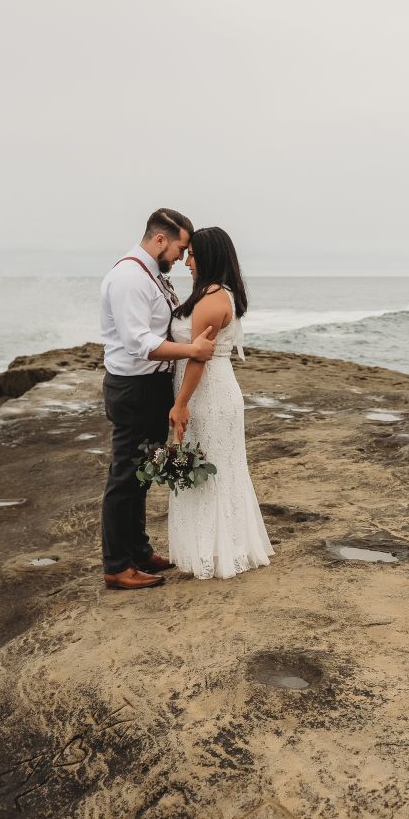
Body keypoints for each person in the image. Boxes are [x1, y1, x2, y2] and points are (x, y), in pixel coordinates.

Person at [100, 208, 216, 591]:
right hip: (133, 389)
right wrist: (193, 351)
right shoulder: (130, 277)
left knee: (142, 474)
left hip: (151, 388)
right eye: (181, 249)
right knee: (124, 478)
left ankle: (138, 549)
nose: (183, 258)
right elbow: (138, 344)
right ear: (160, 239)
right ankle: (117, 566)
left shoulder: (151, 275)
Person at [168, 227, 274, 579]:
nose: (186, 261)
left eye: (193, 254)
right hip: (210, 389)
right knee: (214, 467)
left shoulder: (213, 299)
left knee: (213, 471)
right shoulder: (216, 293)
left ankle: (216, 552)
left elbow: (199, 358)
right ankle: (215, 548)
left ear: (209, 257)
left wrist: (180, 404)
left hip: (208, 393)